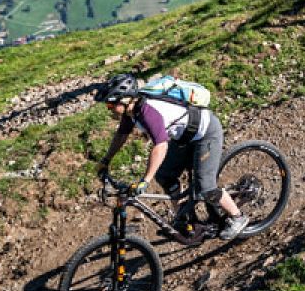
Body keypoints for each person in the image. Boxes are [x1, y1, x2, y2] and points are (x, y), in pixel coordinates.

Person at [94, 73, 249, 240]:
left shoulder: (148, 112)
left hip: (206, 134)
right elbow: (121, 135)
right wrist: (106, 160)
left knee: (205, 186)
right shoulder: (131, 113)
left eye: (111, 105)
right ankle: (185, 219)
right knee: (165, 175)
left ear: (125, 100)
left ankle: (237, 217)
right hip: (184, 137)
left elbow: (160, 146)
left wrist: (145, 180)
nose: (108, 109)